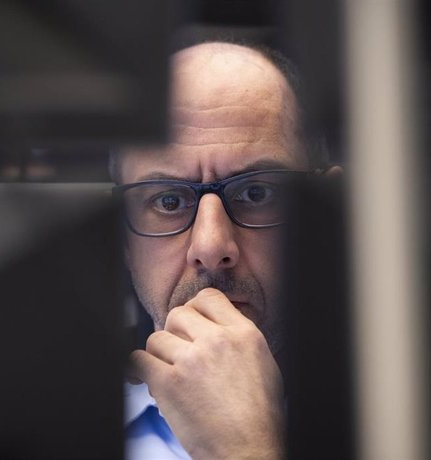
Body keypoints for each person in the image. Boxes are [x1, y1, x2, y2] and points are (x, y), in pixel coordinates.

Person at [113, 41, 337, 459]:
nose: (211, 248)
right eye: (168, 201)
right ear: (124, 238)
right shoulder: (46, 429)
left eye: (256, 192)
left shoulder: (413, 417)